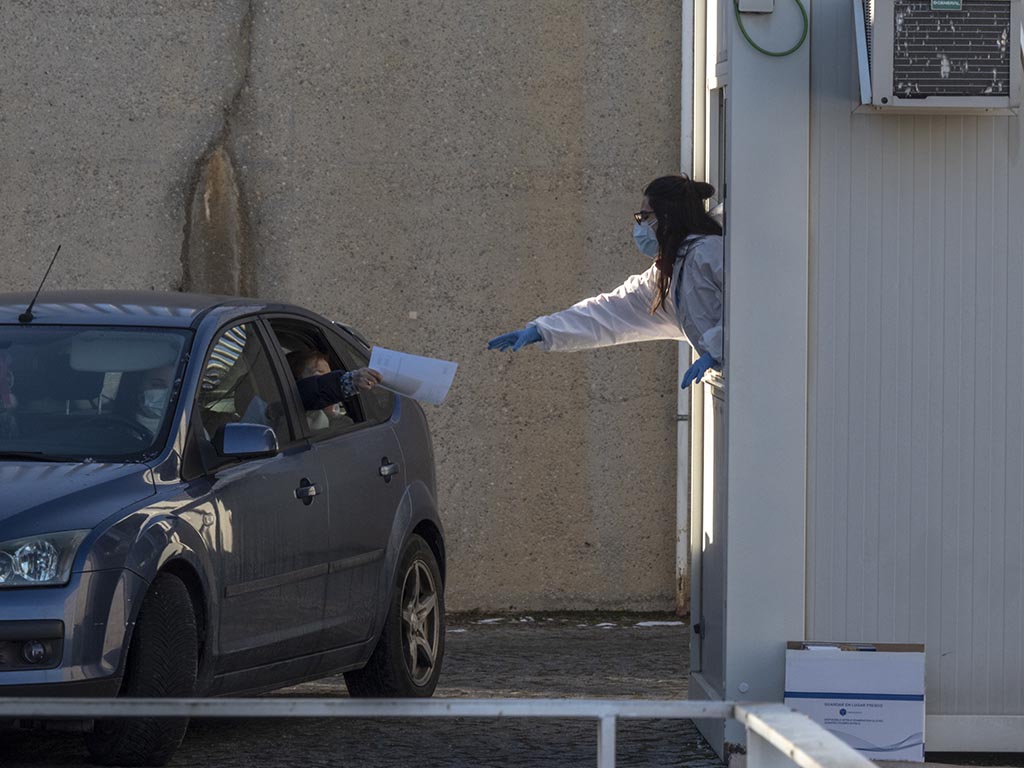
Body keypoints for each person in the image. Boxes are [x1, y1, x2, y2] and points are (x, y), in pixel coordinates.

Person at [487, 174, 723, 389]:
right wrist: (543, 330)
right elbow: (607, 312)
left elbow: (753, 309)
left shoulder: (708, 253)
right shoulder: (667, 275)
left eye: (645, 216)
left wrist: (717, 348)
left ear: (667, 217)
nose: (639, 225)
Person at [287, 350, 356, 431]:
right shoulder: (298, 418)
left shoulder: (342, 422)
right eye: (319, 374)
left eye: (329, 375)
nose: (328, 381)